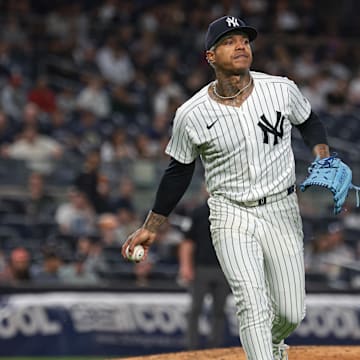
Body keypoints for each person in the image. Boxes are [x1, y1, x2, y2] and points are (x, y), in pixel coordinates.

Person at [122, 16, 330, 360]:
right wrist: (150, 227)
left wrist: (322, 154)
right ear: (210, 56)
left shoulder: (280, 88)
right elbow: (178, 172)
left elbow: (309, 122)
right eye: (230, 41)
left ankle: (274, 345)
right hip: (230, 213)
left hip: (282, 209)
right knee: (251, 301)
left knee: (292, 313)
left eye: (245, 40)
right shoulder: (191, 113)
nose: (241, 46)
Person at [178, 199, 230, 350]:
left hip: (224, 268)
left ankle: (214, 347)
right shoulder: (198, 212)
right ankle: (191, 347)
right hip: (201, 268)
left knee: (219, 310)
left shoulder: (231, 211)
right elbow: (187, 241)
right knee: (195, 309)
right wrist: (185, 266)